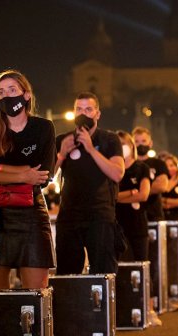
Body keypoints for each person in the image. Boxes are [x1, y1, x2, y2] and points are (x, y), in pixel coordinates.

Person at [0, 70, 54, 289]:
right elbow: (32, 174)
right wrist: (24, 174)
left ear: (26, 95)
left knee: (36, 296)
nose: (7, 96)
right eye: (1, 92)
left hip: (32, 213)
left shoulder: (43, 127)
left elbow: (44, 175)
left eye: (12, 89)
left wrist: (0, 169)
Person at [54, 92, 125, 275]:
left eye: (88, 109)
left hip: (99, 215)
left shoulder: (109, 139)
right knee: (67, 274)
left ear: (97, 114)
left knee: (103, 273)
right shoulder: (63, 140)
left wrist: (91, 149)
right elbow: (46, 176)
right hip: (69, 216)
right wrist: (62, 154)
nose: (83, 113)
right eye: (78, 109)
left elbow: (117, 173)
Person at [115, 131, 150, 261]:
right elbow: (109, 197)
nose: (120, 147)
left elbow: (143, 195)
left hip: (137, 226)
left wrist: (117, 198)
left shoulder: (142, 168)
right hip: (117, 225)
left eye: (123, 144)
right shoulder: (111, 169)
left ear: (131, 146)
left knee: (140, 264)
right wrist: (130, 193)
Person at [132, 127, 168, 222]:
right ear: (132, 144)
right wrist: (150, 186)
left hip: (154, 215)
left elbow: (161, 186)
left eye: (144, 141)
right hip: (131, 216)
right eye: (137, 141)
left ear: (150, 143)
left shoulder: (159, 163)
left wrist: (134, 191)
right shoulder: (126, 164)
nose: (141, 144)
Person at [160, 153, 178, 220]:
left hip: (177, 217)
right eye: (166, 166)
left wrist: (165, 200)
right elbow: (157, 201)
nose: (169, 168)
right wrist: (174, 202)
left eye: (172, 165)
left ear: (176, 167)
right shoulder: (160, 182)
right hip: (162, 217)